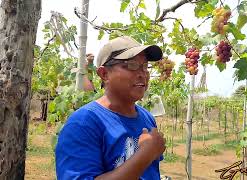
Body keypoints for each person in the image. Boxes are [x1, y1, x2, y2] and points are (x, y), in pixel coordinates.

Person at [55, 36, 166, 180]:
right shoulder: (83, 124)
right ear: (104, 74)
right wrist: (145, 154)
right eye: (131, 65)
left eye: (144, 66)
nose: (142, 74)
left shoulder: (147, 118)